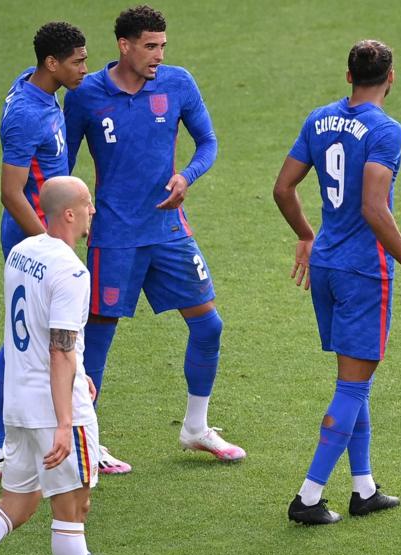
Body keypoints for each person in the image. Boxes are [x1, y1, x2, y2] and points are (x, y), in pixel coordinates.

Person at [63, 4, 244, 471]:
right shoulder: (85, 95)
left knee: (209, 326)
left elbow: (208, 142)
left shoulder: (178, 83)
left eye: (162, 45)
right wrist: (71, 218)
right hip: (115, 237)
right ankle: (89, 440)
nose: (159, 55)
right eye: (150, 46)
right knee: (96, 339)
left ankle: (196, 428)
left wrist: (187, 176)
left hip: (168, 232)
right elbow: (61, 165)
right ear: (123, 45)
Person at [273, 39, 401, 525]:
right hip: (364, 271)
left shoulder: (319, 119)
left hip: (326, 266)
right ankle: (308, 496)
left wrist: (306, 234)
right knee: (352, 387)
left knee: (354, 381)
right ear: (391, 77)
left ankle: (362, 488)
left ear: (348, 76)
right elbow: (373, 207)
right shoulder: (386, 130)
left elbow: (283, 188)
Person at [0, 176, 98, 555]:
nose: (92, 209)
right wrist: (65, 420)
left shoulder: (20, 253)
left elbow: (39, 330)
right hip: (54, 406)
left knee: (15, 506)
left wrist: (80, 371)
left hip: (17, 404)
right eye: (87, 203)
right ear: (69, 213)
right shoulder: (72, 272)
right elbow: (59, 348)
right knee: (73, 512)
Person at [0, 21, 89, 480]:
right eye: (77, 61)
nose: (84, 68)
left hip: (47, 229)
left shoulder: (38, 85)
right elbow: (11, 191)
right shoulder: (26, 111)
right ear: (52, 63)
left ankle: (11, 440)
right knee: (24, 338)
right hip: (33, 232)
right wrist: (46, 242)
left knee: (36, 335)